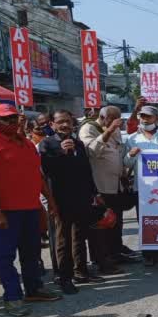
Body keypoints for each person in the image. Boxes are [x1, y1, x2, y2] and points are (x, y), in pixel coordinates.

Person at [0, 104, 61, 317]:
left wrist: (51, 201)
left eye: (14, 118)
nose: (13, 122)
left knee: (31, 253)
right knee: (5, 257)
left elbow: (38, 176)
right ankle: (12, 297)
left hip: (31, 208)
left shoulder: (28, 145)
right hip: (6, 211)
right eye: (7, 119)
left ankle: (34, 289)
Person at [40, 110, 101, 294]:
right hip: (59, 199)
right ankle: (63, 277)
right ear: (52, 124)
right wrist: (62, 152)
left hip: (81, 198)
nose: (65, 125)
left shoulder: (79, 144)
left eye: (68, 121)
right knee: (62, 239)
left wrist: (94, 193)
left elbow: (86, 170)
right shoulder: (47, 144)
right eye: (60, 122)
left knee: (80, 235)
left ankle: (80, 270)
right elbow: (47, 170)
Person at [79, 105, 136, 266]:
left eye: (116, 119)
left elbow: (119, 151)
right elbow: (91, 151)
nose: (114, 123)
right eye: (111, 119)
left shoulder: (115, 129)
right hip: (100, 185)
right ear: (102, 118)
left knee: (116, 221)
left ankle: (116, 251)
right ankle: (102, 258)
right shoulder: (88, 128)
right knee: (102, 223)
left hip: (116, 184)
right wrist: (109, 131)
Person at [124, 105, 158, 266]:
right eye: (142, 116)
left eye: (148, 116)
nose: (144, 119)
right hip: (142, 188)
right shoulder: (132, 138)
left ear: (156, 118)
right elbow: (126, 163)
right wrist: (130, 154)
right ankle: (149, 254)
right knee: (146, 221)